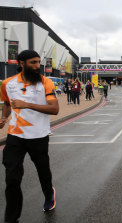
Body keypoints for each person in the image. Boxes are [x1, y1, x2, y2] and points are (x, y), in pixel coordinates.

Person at [0, 50, 59, 223]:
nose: (37, 66)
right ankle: (11, 218)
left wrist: (26, 104)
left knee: (43, 172)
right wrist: (4, 117)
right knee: (12, 178)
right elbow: (7, 103)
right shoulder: (7, 83)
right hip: (15, 136)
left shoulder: (45, 82)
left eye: (38, 62)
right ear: (21, 63)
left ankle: (49, 194)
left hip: (38, 136)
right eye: (32, 62)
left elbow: (55, 109)